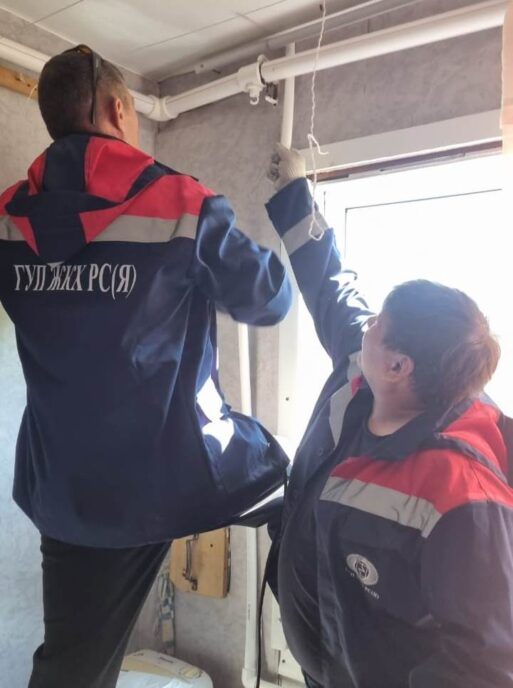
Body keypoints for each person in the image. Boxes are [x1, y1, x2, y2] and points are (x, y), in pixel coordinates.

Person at [0, 46, 291, 688]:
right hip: (171, 468)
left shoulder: (8, 218)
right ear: (117, 109)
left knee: (72, 669)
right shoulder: (180, 203)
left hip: (66, 486)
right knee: (298, 489)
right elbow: (270, 300)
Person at [265, 144, 513, 688]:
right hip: (321, 660)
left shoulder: (462, 495)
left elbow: (482, 665)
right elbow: (332, 286)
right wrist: (294, 196)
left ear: (400, 365)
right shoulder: (368, 372)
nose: (367, 324)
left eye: (378, 322)